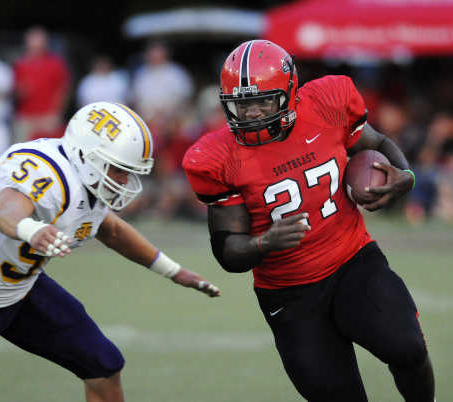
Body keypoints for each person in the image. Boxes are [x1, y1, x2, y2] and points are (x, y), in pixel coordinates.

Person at [0, 101, 220, 402]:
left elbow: (110, 229)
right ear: (88, 156)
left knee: (103, 365)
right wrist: (33, 229)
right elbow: (6, 211)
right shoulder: (47, 174)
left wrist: (173, 271)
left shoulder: (86, 179)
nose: (125, 180)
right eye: (119, 170)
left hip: (22, 291)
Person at [182, 40, 434, 402]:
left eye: (261, 102)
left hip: (352, 261)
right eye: (242, 104)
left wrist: (404, 175)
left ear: (289, 93)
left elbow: (377, 143)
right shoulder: (216, 157)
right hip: (289, 292)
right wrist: (263, 243)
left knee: (407, 348)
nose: (251, 114)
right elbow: (227, 249)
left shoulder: (329, 103)